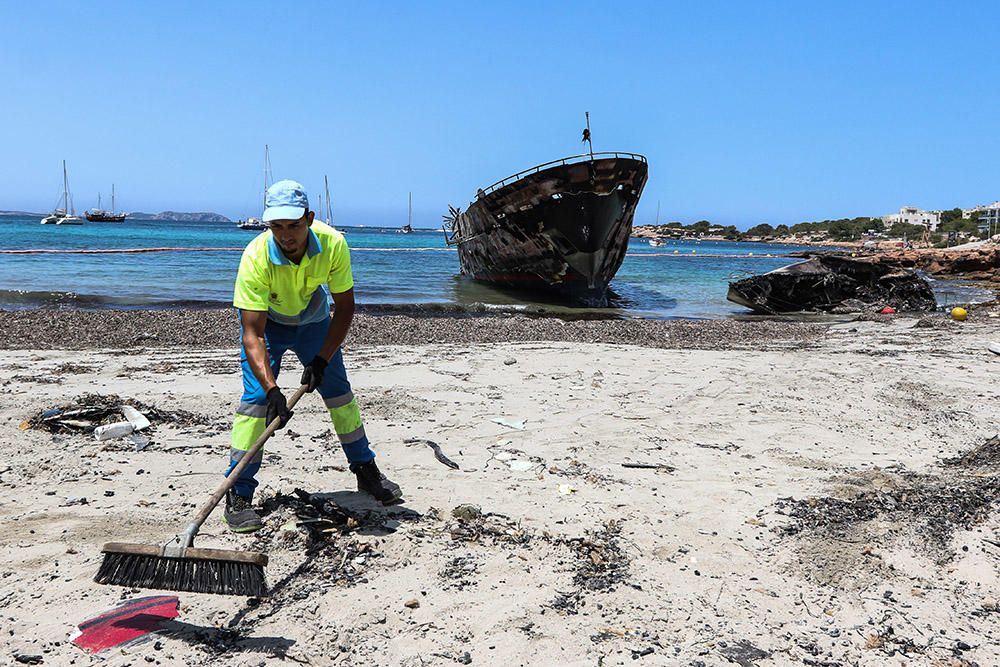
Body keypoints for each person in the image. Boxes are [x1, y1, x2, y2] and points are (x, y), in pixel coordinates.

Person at [224, 179, 402, 533]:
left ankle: (366, 471)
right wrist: (274, 389)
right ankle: (238, 491)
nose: (286, 235)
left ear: (309, 217)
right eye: (277, 226)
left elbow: (346, 308)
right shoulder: (256, 257)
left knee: (339, 394)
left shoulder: (333, 244)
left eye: (293, 225)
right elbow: (253, 334)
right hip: (270, 326)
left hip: (315, 322)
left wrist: (321, 358)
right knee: (256, 401)